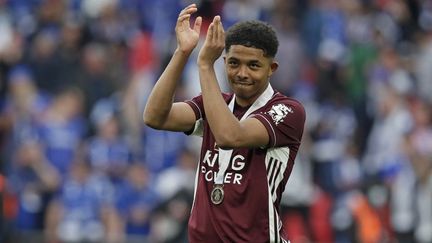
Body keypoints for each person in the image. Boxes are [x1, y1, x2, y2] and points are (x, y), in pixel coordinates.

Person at [143, 3, 305, 242]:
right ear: (225, 61)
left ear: (272, 68)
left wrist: (206, 65)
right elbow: (155, 117)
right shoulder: (215, 103)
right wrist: (182, 53)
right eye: (233, 63)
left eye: (253, 65)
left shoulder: (287, 110)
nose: (242, 73)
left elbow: (230, 136)